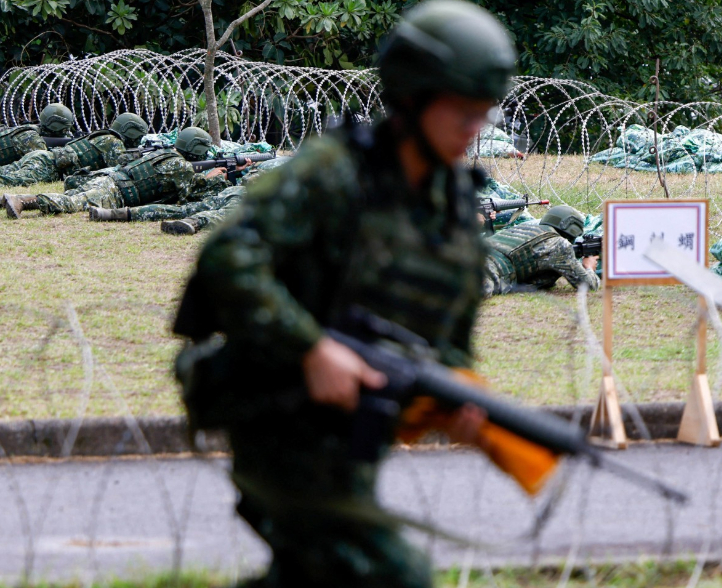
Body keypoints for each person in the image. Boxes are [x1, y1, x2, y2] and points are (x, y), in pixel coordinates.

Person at [171, 1, 516, 586]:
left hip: (352, 441)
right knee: (390, 574)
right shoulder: (333, 172)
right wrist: (312, 349)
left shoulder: (455, 218)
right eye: (461, 110)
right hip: (275, 415)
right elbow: (229, 258)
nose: (472, 129)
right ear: (412, 95)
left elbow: (448, 343)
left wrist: (454, 403)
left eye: (482, 114)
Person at [4, 127, 225, 219]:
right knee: (70, 203)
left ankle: (6, 200)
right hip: (113, 191)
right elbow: (190, 198)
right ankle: (23, 201)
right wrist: (212, 178)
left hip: (106, 179)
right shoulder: (181, 168)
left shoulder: (165, 154)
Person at [87, 156, 291, 235]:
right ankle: (192, 223)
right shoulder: (289, 169)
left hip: (234, 190)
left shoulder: (272, 165)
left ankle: (114, 213)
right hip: (248, 196)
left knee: (180, 208)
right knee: (226, 213)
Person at [0, 113, 149, 188]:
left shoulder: (103, 137)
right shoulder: (113, 142)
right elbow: (121, 166)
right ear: (130, 131)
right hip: (46, 165)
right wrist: (140, 155)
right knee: (11, 181)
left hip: (41, 157)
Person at [482, 205, 600, 296]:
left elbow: (534, 281)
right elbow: (588, 285)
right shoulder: (557, 243)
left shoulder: (524, 228)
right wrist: (589, 267)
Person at [0, 103, 74, 166]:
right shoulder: (30, 137)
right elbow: (47, 161)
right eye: (65, 130)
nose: (66, 132)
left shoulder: (29, 130)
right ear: (56, 127)